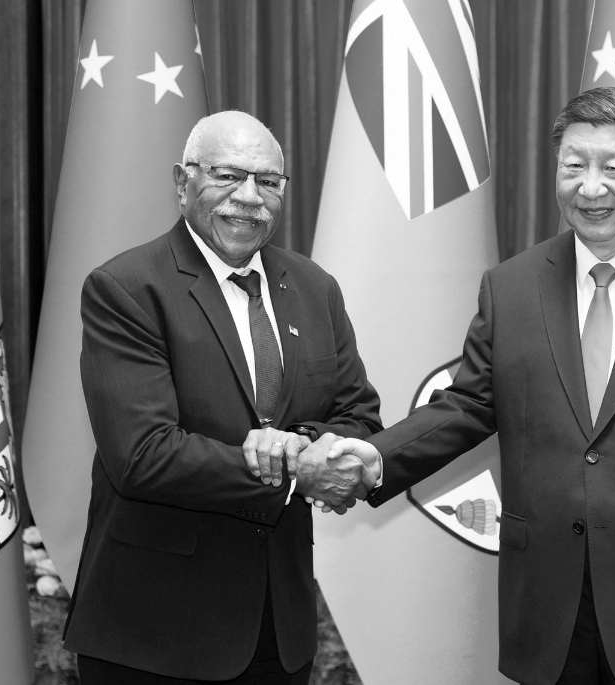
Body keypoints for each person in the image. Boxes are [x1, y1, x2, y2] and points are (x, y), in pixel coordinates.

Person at [327, 86, 615, 685]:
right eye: (573, 165)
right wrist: (374, 457)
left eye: (612, 167)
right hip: (550, 604)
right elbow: (469, 403)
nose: (589, 187)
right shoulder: (511, 287)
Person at [63, 110, 382, 684]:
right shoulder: (128, 288)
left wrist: (305, 446)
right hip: (153, 635)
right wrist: (293, 472)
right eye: (228, 176)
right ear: (183, 182)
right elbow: (143, 455)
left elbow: (358, 413)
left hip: (277, 630)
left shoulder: (314, 288)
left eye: (267, 181)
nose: (249, 198)